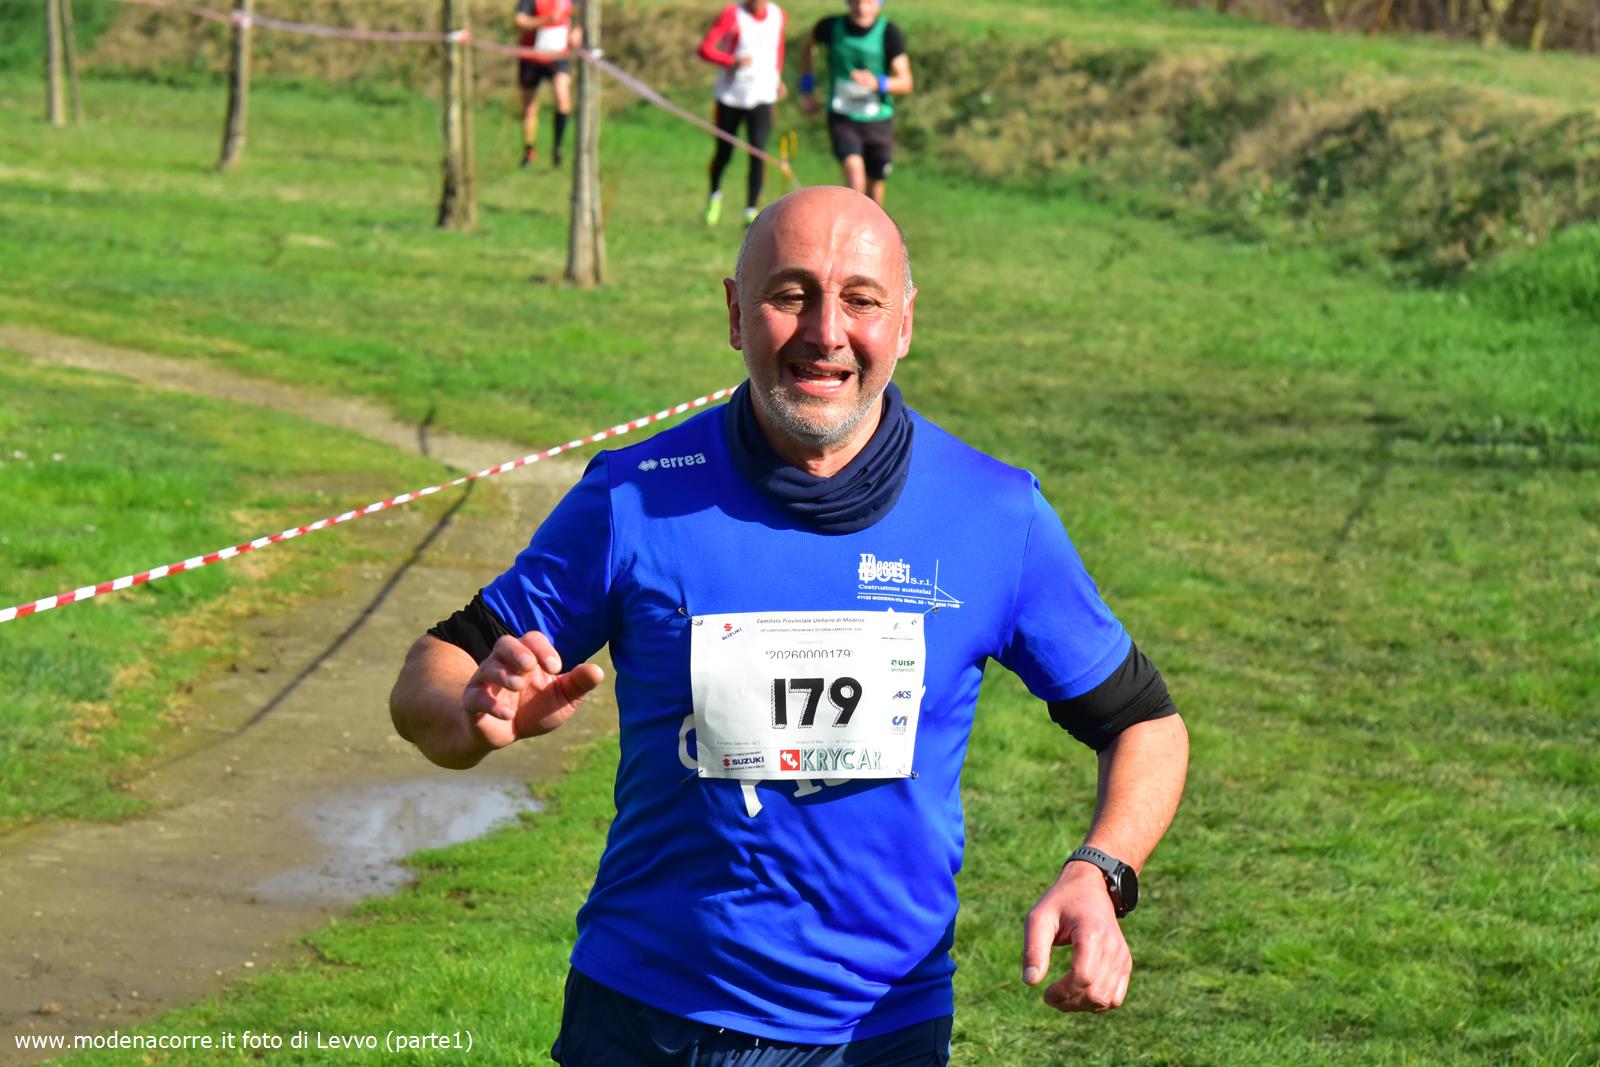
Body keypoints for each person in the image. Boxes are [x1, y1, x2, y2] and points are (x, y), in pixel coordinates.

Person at [390, 186, 1189, 1066]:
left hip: (877, 1033)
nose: (825, 332)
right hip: (643, 1020)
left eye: (861, 300)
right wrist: (470, 713)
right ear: (736, 313)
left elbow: (1143, 723)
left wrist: (1101, 870)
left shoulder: (995, 516)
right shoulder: (635, 498)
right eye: (791, 294)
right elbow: (434, 668)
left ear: (906, 323)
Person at [798, 0, 911, 205]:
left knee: (875, 192)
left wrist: (877, 83)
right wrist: (807, 90)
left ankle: (872, 224)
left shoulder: (889, 32)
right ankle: (854, 222)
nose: (862, 8)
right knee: (855, 178)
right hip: (843, 116)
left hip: (878, 119)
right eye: (857, 2)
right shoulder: (830, 27)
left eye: (868, 2)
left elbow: (905, 82)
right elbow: (808, 48)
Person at [696, 0, 788, 228]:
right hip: (731, 97)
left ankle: (751, 211)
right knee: (724, 153)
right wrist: (730, 61)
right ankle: (714, 196)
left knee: (758, 152)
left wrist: (777, 78)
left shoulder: (778, 15)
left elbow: (777, 48)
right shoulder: (733, 14)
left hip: (762, 96)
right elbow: (705, 49)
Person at [514, 0, 577, 168]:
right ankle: (529, 151)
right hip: (532, 56)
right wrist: (546, 20)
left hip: (558, 56)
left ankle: (557, 149)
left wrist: (577, 31)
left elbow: (579, 15)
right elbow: (519, 21)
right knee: (529, 106)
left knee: (562, 99)